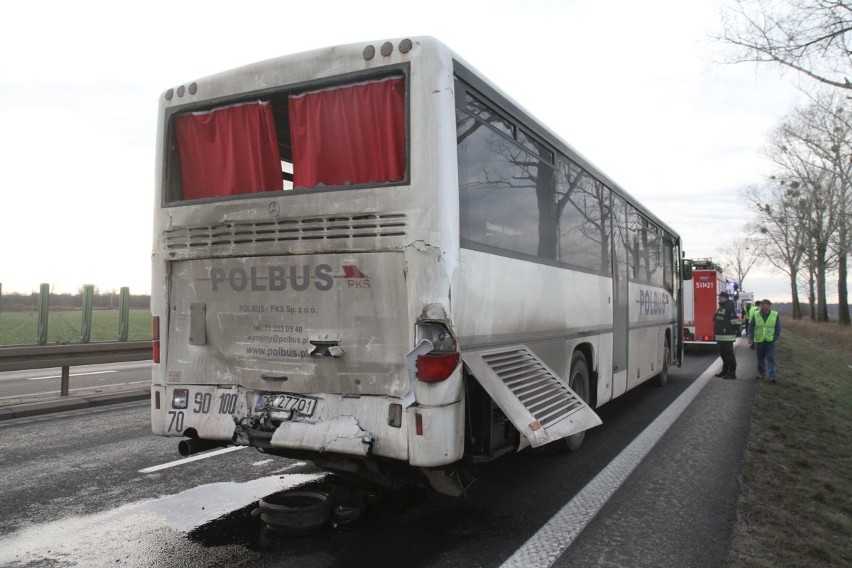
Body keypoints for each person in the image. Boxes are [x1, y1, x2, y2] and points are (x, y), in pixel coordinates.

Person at [749, 299, 782, 383]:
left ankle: (772, 376)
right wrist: (751, 337)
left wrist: (775, 337)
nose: (764, 306)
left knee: (771, 358)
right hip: (759, 340)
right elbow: (751, 326)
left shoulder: (775, 314)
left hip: (770, 340)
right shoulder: (756, 314)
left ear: (769, 306)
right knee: (760, 358)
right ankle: (761, 373)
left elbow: (778, 328)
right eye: (763, 305)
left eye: (766, 305)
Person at [713, 291, 739, 379]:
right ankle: (725, 370)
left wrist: (733, 331)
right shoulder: (721, 307)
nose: (718, 298)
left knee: (729, 354)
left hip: (727, 335)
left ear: (725, 298)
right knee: (723, 354)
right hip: (721, 335)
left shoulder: (729, 307)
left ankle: (732, 372)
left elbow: (735, 321)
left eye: (720, 297)